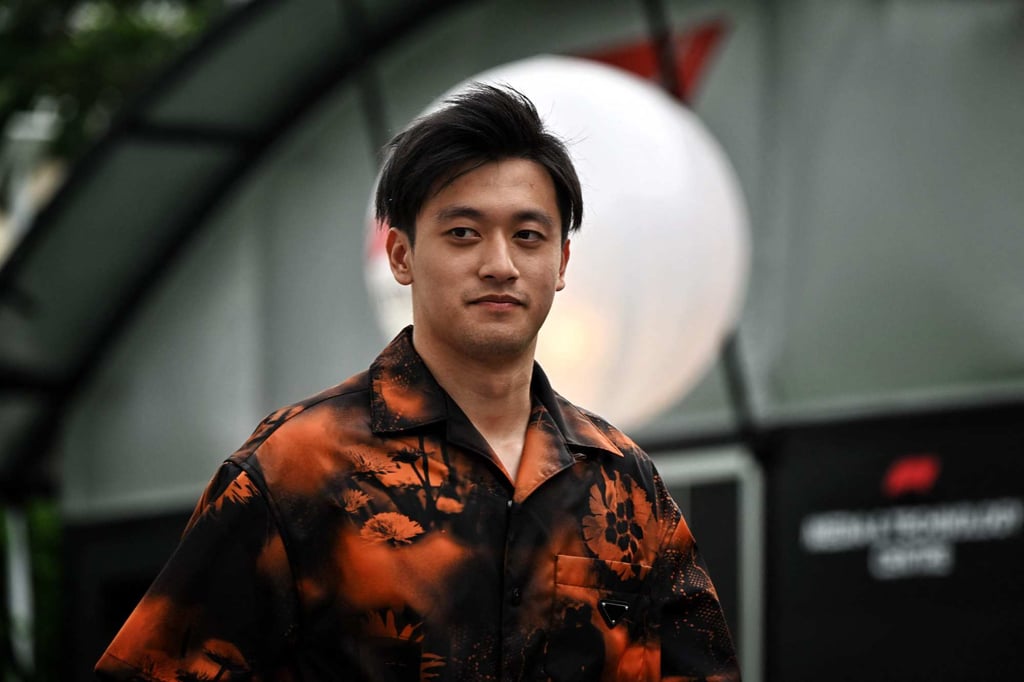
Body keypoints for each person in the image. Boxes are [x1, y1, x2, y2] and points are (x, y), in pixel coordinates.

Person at [95, 84, 740, 681]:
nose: (500, 264)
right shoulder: (299, 467)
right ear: (401, 255)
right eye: (463, 234)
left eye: (528, 236)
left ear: (562, 261)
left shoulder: (623, 484)